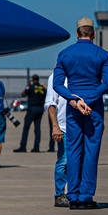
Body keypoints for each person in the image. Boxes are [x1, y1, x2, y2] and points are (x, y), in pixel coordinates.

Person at [52, 17, 108, 210]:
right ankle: (86, 196)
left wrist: (75, 100)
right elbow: (107, 83)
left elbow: (57, 85)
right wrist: (87, 100)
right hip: (93, 107)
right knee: (91, 151)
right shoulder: (103, 55)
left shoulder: (64, 54)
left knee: (73, 150)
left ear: (77, 34)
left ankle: (73, 195)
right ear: (94, 34)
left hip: (73, 107)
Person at [44, 70, 70, 207]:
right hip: (64, 127)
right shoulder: (55, 77)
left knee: (80, 162)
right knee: (64, 161)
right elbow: (50, 103)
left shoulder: (80, 74)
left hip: (79, 128)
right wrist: (55, 127)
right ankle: (60, 194)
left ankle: (75, 193)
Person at [14, 74, 47, 152]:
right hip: (40, 108)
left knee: (26, 128)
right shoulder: (42, 88)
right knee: (37, 129)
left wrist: (28, 85)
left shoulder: (31, 87)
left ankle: (23, 146)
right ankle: (36, 147)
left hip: (32, 108)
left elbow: (23, 94)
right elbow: (46, 95)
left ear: (32, 79)